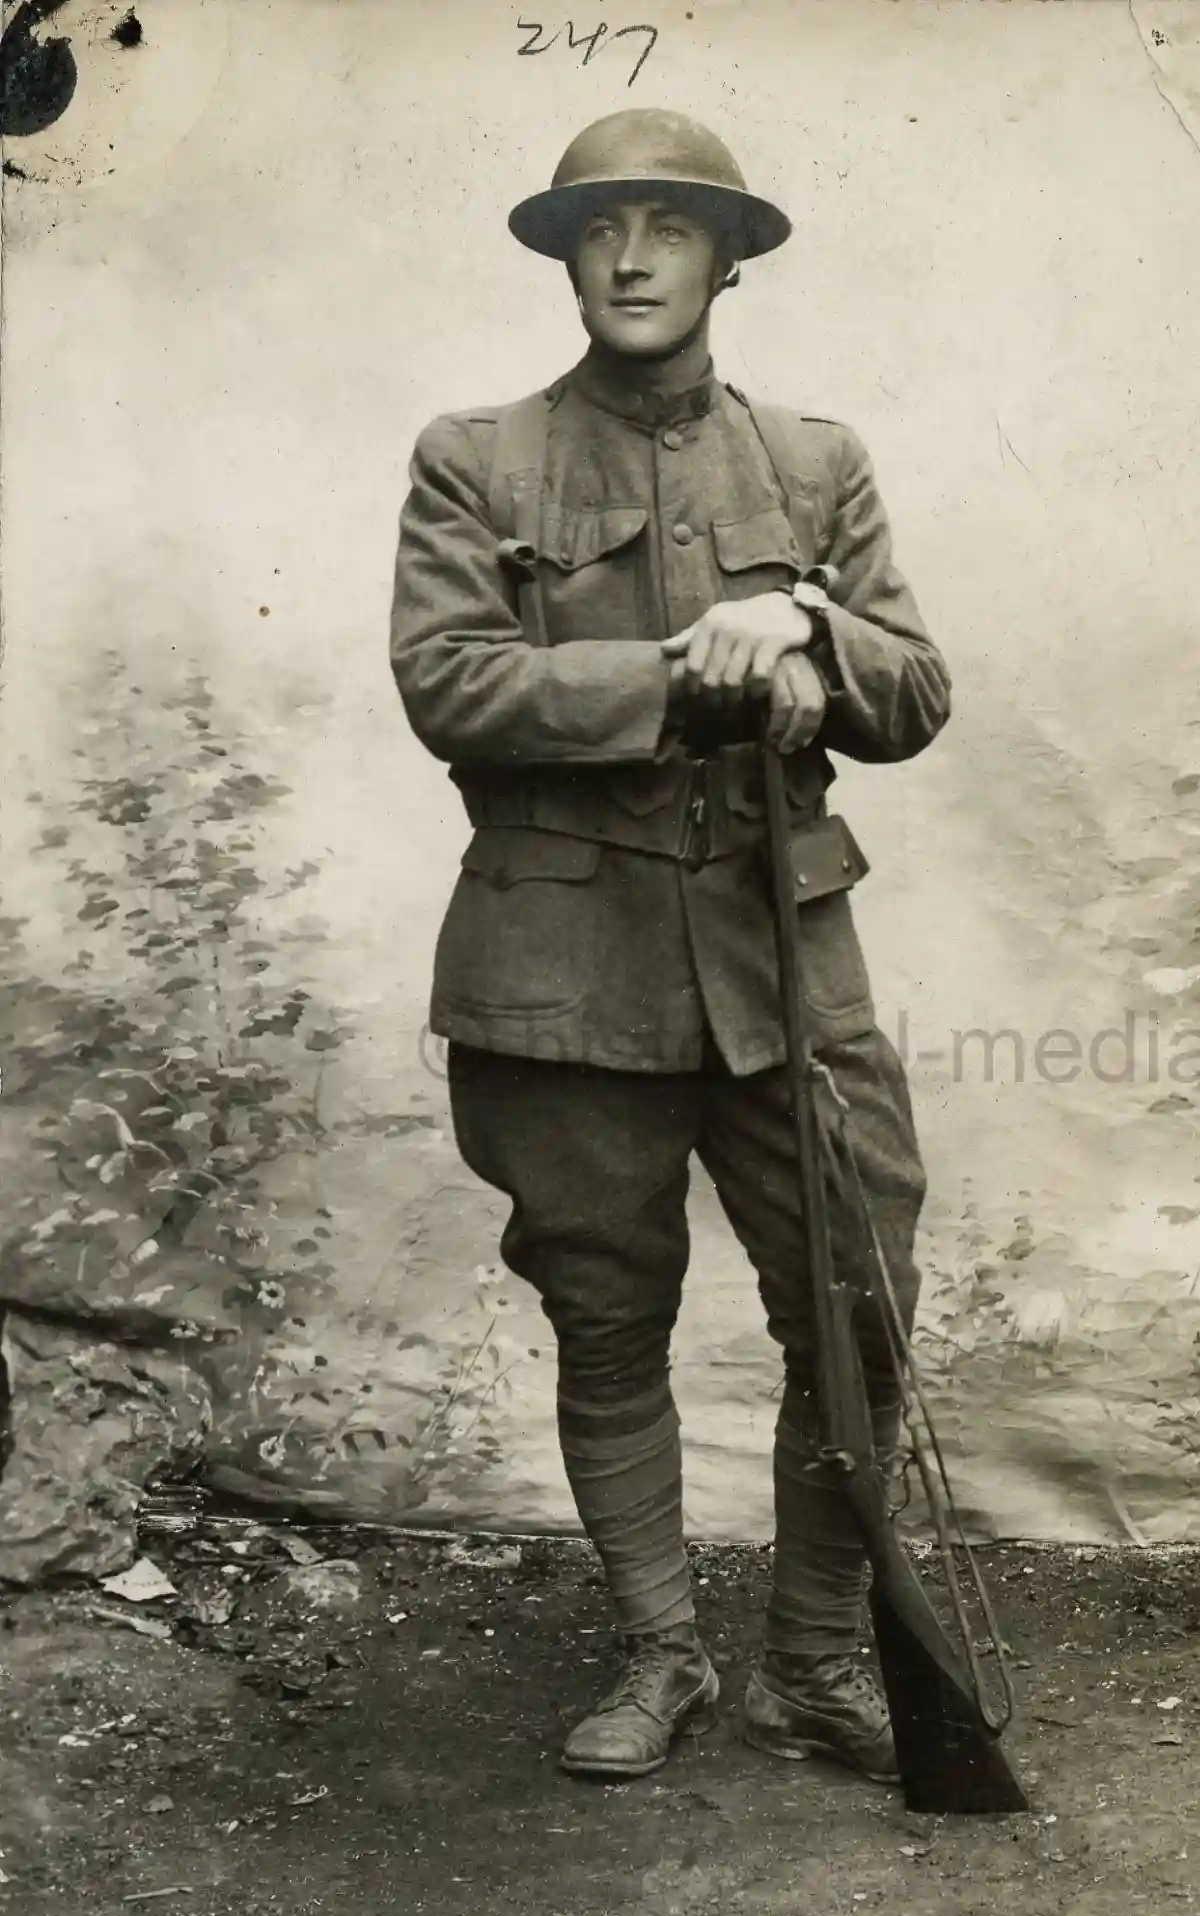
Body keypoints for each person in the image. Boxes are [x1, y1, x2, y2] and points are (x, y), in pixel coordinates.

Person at [389, 109, 949, 1782]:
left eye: (671, 227)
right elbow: (451, 683)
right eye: (600, 229)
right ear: (566, 258)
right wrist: (688, 668)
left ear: (728, 259)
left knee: (855, 1308)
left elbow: (914, 692)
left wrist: (806, 618)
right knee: (607, 1313)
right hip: (562, 969)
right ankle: (660, 1654)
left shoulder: (815, 463)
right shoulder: (477, 458)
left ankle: (814, 1661)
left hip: (784, 959)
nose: (632, 258)